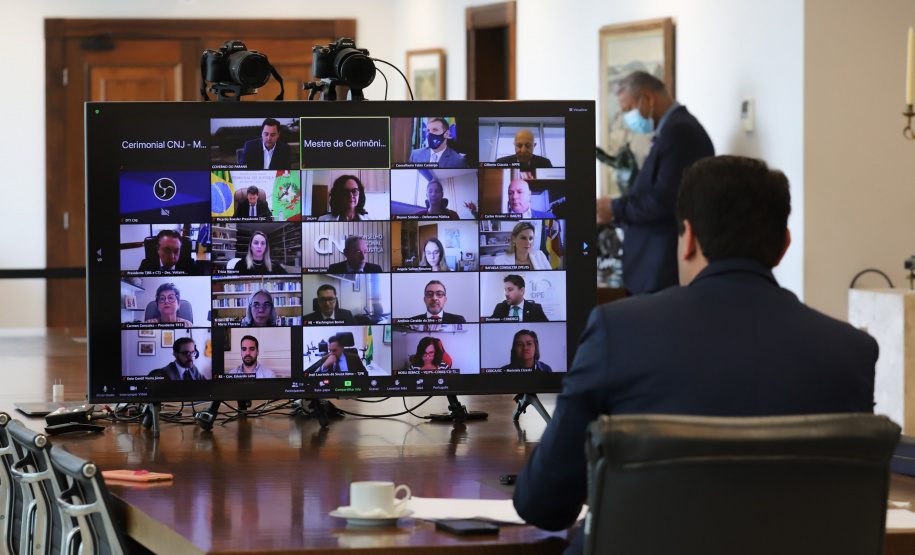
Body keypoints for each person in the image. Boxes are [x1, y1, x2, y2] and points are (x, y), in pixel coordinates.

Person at [513, 155, 877, 555]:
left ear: (687, 237)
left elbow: (542, 504)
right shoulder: (852, 352)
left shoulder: (619, 330)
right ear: (783, 247)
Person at [596, 71, 715, 296]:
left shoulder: (680, 132)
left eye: (629, 109)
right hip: (650, 271)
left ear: (648, 99)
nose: (628, 118)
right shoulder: (669, 131)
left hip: (661, 271)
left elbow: (665, 201)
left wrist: (615, 208)